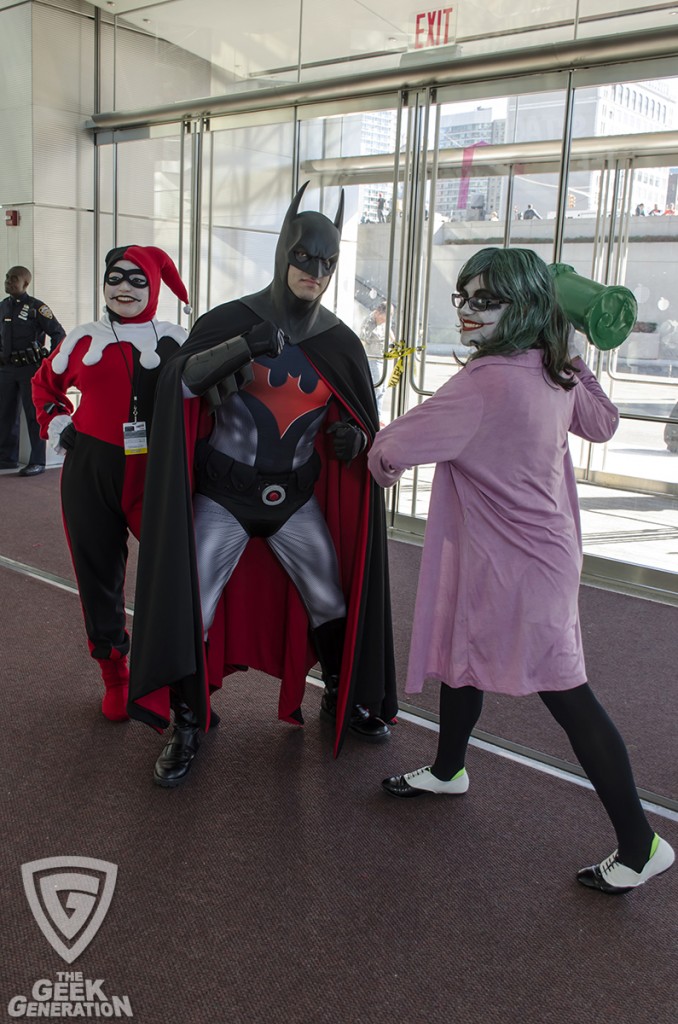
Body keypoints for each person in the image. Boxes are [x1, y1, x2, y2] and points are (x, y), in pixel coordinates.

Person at [368, 246, 674, 894]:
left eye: (487, 300)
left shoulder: (484, 384)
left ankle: (640, 843)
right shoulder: (553, 368)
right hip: (535, 557)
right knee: (464, 650)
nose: (470, 312)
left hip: (520, 570)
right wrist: (570, 350)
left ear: (526, 306)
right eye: (465, 297)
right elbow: (605, 422)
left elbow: (390, 448)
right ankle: (451, 768)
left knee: (569, 696)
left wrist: (376, 464)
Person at [128, 182, 397, 787]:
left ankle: (341, 698)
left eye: (328, 262)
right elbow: (181, 385)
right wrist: (239, 347)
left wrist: (358, 443)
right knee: (190, 604)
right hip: (224, 493)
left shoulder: (339, 342)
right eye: (305, 256)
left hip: (295, 496)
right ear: (283, 252)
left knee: (332, 599)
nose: (316, 271)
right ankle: (188, 721)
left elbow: (358, 419)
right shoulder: (231, 319)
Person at [32, 245, 191, 722]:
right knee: (97, 573)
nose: (124, 288)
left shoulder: (178, 342)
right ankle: (116, 675)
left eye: (137, 280)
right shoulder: (83, 340)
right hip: (91, 470)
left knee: (179, 573)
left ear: (155, 288)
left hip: (158, 472)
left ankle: (182, 678)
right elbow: (44, 387)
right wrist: (60, 423)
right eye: (115, 278)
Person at [0, 266, 66, 475]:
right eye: (7, 278)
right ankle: (7, 458)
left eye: (14, 279)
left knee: (33, 415)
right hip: (6, 368)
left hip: (30, 369)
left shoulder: (36, 307)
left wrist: (49, 360)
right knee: (5, 414)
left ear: (25, 283)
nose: (8, 282)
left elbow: (58, 333)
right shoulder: (3, 307)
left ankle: (38, 461)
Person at [360, 300, 395, 420]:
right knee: (377, 387)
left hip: (383, 357)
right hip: (373, 357)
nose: (385, 321)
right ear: (378, 313)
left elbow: (388, 329)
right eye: (384, 318)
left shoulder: (384, 321)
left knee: (383, 388)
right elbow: (363, 339)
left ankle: (378, 414)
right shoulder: (369, 322)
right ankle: (373, 416)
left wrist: (394, 341)